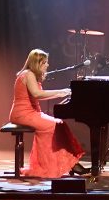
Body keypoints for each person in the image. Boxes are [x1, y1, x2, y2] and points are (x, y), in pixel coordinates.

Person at [9, 48, 88, 177]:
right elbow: (37, 94)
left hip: (31, 113)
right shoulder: (28, 74)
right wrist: (60, 92)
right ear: (37, 63)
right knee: (51, 126)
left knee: (59, 123)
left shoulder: (31, 75)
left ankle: (71, 163)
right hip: (22, 114)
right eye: (44, 62)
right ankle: (44, 166)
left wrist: (61, 93)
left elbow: (39, 95)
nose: (47, 65)